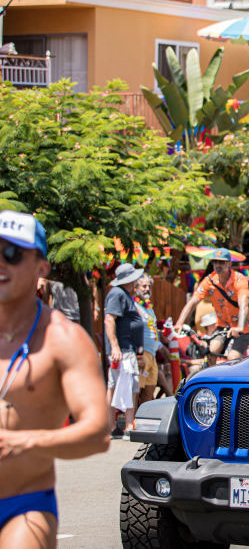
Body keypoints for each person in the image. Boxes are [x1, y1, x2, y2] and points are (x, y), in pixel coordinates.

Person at [0, 211, 108, 547]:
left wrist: (23, 441)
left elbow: (97, 433)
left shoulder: (64, 340)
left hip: (22, 506)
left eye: (12, 254)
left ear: (41, 268)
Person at [174, 248, 249, 361]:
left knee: (232, 357)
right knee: (211, 352)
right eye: (215, 261)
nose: (218, 265)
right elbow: (192, 302)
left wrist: (239, 326)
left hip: (244, 326)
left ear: (229, 263)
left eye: (222, 262)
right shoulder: (209, 281)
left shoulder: (239, 280)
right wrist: (179, 323)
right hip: (223, 326)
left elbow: (244, 305)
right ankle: (213, 378)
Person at [103, 262, 146, 436]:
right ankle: (123, 425)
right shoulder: (117, 294)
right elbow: (109, 319)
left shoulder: (124, 294)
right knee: (122, 385)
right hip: (122, 350)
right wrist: (115, 346)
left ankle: (120, 424)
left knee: (127, 385)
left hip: (128, 349)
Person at [132, 275, 162, 406]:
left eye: (149, 286)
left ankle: (143, 420)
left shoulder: (148, 307)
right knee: (137, 390)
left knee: (150, 390)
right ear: (135, 288)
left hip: (152, 354)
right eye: (144, 286)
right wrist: (138, 355)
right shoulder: (134, 306)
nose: (147, 289)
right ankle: (132, 420)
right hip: (142, 352)